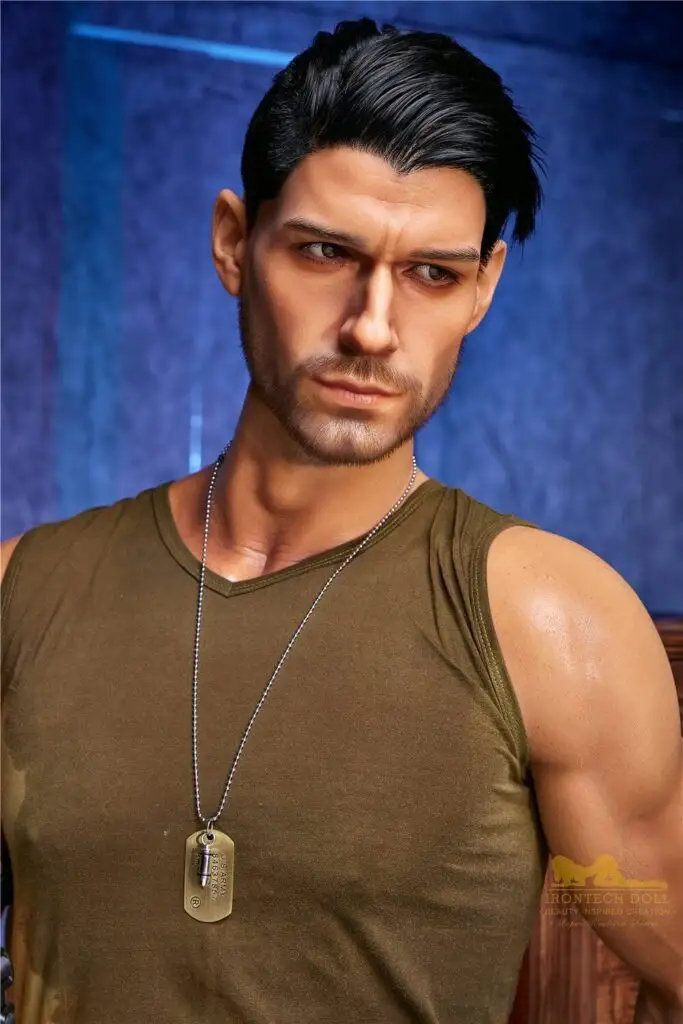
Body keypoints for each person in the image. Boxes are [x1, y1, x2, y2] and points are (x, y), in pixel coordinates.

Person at [1, 16, 681, 1024]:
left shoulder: (552, 625)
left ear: (483, 287)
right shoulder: (26, 591)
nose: (371, 326)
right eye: (325, 253)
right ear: (234, 243)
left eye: (431, 274)